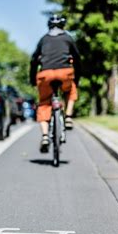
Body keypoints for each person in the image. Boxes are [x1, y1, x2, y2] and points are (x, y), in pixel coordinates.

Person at [30, 14, 81, 153]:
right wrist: (76, 79)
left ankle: (45, 135)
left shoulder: (44, 39)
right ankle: (69, 117)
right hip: (65, 73)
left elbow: (34, 60)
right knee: (71, 90)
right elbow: (77, 58)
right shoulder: (68, 38)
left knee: (44, 102)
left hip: (45, 74)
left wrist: (32, 80)